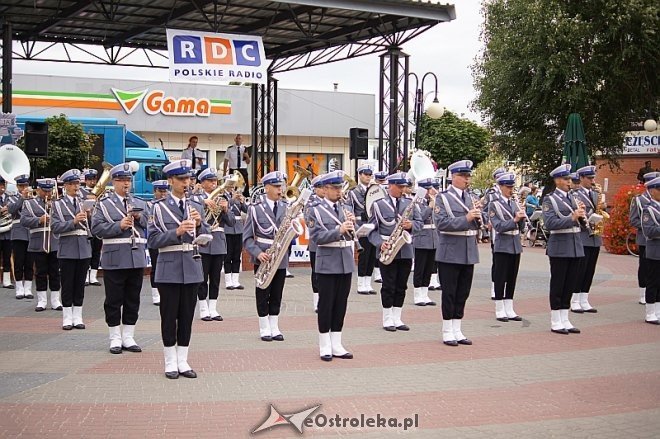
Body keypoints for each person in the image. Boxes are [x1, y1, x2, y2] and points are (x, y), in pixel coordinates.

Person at [148, 159, 210, 379]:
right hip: (169, 268)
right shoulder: (158, 207)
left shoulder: (196, 205)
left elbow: (208, 236)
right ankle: (169, 361)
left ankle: (183, 360)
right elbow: (152, 240)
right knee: (169, 316)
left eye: (188, 179)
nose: (187, 183)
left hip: (192, 267)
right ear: (171, 181)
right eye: (182, 179)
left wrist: (201, 225)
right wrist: (176, 231)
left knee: (186, 316)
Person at [91, 163, 148, 354]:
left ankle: (129, 336)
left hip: (136, 257)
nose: (126, 184)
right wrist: (118, 225)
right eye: (122, 180)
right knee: (114, 299)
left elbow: (152, 223)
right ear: (114, 182)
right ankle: (115, 337)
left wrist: (139, 218)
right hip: (115, 258)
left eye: (128, 180)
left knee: (133, 298)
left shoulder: (139, 202)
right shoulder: (104, 204)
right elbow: (96, 229)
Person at [308, 170, 356, 361]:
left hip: (345, 260)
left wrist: (353, 225)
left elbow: (352, 234)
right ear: (325, 189)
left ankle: (337, 343)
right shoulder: (315, 209)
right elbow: (317, 237)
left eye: (340, 188)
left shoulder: (345, 207)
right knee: (326, 304)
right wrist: (339, 229)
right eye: (335, 188)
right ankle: (324, 345)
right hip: (327, 261)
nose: (339, 191)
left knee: (340, 304)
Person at [368, 172, 422, 332]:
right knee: (388, 285)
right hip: (387, 249)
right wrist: (380, 243)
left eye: (404, 186)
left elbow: (419, 223)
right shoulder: (378, 204)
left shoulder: (410, 203)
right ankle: (387, 318)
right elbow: (372, 230)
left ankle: (397, 318)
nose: (403, 189)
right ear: (390, 186)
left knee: (401, 285)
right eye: (399, 186)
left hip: (404, 250)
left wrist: (411, 225)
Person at [435, 160, 480, 346]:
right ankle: (447, 330)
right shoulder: (442, 198)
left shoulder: (470, 198)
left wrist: (478, 217)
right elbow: (442, 224)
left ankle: (457, 328)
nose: (467, 180)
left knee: (463, 292)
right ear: (453, 177)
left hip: (468, 251)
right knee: (450, 292)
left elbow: (477, 225)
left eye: (468, 176)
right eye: (463, 176)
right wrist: (466, 218)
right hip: (450, 252)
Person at [243, 171, 289, 342]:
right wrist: (257, 253)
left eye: (281, 186)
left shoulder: (286, 207)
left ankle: (275, 326)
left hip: (281, 256)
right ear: (267, 187)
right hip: (263, 256)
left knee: (277, 292)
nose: (280, 189)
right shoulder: (255, 208)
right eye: (276, 186)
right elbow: (246, 237)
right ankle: (264, 326)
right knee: (263, 292)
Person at [542, 164, 585, 335]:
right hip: (559, 246)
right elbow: (550, 223)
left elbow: (579, 222)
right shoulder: (549, 199)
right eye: (566, 179)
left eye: (570, 179)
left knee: (570, 284)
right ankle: (555, 319)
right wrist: (572, 217)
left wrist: (583, 217)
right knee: (559, 283)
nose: (570, 182)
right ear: (558, 180)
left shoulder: (573, 198)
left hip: (575, 245)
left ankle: (565, 317)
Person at [51, 169, 91, 330]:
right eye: (73, 184)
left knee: (80, 284)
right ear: (65, 186)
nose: (76, 187)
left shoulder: (84, 203)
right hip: (67, 248)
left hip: (83, 247)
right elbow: (55, 227)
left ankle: (78, 316)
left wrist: (90, 215)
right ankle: (67, 317)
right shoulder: (58, 205)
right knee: (67, 283)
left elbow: (92, 228)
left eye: (78, 184)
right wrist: (73, 222)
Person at [193, 168, 234, 322]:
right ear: (202, 183)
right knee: (202, 277)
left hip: (218, 241)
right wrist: (204, 202)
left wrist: (225, 209)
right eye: (210, 181)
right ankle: (203, 308)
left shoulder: (222, 197)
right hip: (204, 241)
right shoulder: (196, 198)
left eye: (215, 181)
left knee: (215, 278)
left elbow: (230, 222)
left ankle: (213, 308)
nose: (213, 183)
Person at [20, 178, 62, 312]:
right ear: (38, 190)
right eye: (44, 191)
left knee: (55, 272)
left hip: (54, 241)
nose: (47, 193)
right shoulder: (29, 203)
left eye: (49, 191)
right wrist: (39, 220)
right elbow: (24, 220)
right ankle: (42, 301)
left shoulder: (57, 203)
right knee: (40, 272)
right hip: (38, 242)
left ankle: (56, 300)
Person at [489, 172, 525, 322]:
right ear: (501, 186)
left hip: (515, 244)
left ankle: (509, 307)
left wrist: (521, 218)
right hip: (502, 244)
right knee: (500, 277)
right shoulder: (495, 204)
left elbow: (521, 227)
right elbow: (498, 226)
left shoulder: (515, 203)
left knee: (511, 277)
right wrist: (515, 219)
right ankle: (499, 308)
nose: (511, 190)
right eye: (508, 187)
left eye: (512, 187)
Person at [571, 165, 603, 313]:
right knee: (580, 269)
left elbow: (599, 210)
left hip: (595, 236)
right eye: (589, 178)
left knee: (590, 269)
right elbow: (578, 213)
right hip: (583, 235)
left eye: (593, 178)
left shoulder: (596, 194)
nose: (592, 180)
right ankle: (575, 299)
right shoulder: (575, 194)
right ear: (581, 178)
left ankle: (585, 299)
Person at [630, 171, 660, 304]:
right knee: (645, 267)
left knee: (654, 270)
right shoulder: (639, 199)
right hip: (645, 238)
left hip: (655, 238)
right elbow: (633, 220)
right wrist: (647, 225)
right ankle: (643, 292)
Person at [347, 165, 376, 295]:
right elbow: (349, 209)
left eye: (370, 174)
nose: (368, 177)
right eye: (366, 174)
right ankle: (360, 284)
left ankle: (368, 283)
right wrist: (355, 227)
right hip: (361, 225)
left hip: (373, 225)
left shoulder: (374, 190)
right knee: (364, 255)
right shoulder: (353, 192)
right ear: (360, 175)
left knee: (372, 256)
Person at [412, 178, 438, 306]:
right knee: (420, 267)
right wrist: (429, 208)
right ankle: (417, 295)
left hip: (433, 239)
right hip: (422, 238)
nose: (430, 191)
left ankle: (425, 293)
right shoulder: (416, 202)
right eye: (428, 189)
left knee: (429, 268)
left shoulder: (432, 201)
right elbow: (420, 218)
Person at [8, 174, 34, 299]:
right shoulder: (12, 198)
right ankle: (19, 288)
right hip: (18, 233)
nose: (24, 188)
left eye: (26, 185)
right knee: (19, 262)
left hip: (30, 233)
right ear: (17, 186)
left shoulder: (33, 199)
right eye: (21, 186)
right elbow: (12, 210)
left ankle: (28, 288)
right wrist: (22, 198)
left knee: (29, 262)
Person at [483, 167, 506, 300]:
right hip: (496, 230)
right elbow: (485, 210)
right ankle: (494, 286)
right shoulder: (491, 193)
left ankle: (503, 287)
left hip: (509, 230)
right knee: (496, 260)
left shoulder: (510, 194)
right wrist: (489, 221)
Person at [640, 176, 660, 324]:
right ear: (652, 191)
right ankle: (650, 312)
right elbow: (648, 231)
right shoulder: (649, 209)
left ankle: (658, 310)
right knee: (653, 282)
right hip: (654, 251)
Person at [147, 180, 169, 306]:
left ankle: (164, 292)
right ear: (154, 191)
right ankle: (155, 294)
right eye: (160, 191)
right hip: (155, 240)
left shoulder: (169, 205)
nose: (163, 194)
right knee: (155, 267)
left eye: (165, 191)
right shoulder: (150, 205)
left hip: (167, 239)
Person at [305, 175, 325, 312]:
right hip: (316, 243)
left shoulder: (331, 202)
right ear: (316, 189)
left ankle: (325, 299)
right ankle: (317, 302)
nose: (324, 190)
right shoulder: (311, 203)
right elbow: (309, 221)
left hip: (330, 243)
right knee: (316, 272)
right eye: (322, 188)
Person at [79, 169, 102, 286]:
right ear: (86, 180)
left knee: (97, 250)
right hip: (87, 224)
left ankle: (94, 275)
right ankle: (86, 276)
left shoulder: (101, 192)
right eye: (90, 179)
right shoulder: (81, 192)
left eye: (94, 179)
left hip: (97, 224)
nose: (92, 181)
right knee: (88, 250)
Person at [224, 180, 247, 290]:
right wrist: (232, 199)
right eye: (230, 185)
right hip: (228, 228)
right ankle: (228, 281)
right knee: (228, 255)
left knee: (237, 255)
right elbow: (225, 208)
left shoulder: (239, 196)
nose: (232, 188)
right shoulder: (222, 196)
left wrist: (242, 202)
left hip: (238, 228)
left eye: (233, 186)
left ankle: (236, 280)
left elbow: (246, 210)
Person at [370, 170, 389, 285]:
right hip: (372, 221)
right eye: (379, 181)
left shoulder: (387, 192)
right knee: (373, 252)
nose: (382, 183)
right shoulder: (372, 191)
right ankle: (376, 274)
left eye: (383, 181)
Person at [0, 177, 14, 289]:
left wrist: (8, 209)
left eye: (3, 185)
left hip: (8, 232)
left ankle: (7, 281)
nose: (2, 188)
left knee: (7, 256)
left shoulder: (10, 198)